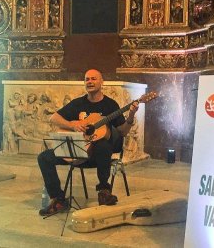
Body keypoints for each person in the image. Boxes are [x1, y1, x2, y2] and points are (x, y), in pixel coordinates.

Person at [37, 69, 139, 216]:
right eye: (87, 79)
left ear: (101, 82)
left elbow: (122, 132)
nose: (90, 82)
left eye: (93, 79)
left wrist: (131, 116)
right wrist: (73, 125)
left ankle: (104, 191)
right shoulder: (77, 103)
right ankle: (58, 199)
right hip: (77, 152)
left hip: (97, 158)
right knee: (44, 157)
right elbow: (54, 118)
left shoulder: (110, 105)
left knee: (103, 145)